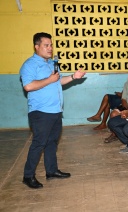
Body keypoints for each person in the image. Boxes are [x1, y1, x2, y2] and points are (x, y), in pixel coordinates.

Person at [20, 32, 86, 189]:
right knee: (39, 143)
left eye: (51, 45)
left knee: (51, 143)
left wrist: (73, 77)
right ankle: (28, 176)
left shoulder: (51, 64)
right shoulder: (29, 65)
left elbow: (58, 81)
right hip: (40, 112)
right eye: (46, 45)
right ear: (37, 47)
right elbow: (28, 86)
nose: (50, 48)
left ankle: (51, 171)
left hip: (55, 111)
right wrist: (50, 79)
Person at [87, 64, 128, 130]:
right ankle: (101, 121)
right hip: (125, 100)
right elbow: (125, 94)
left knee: (107, 99)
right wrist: (121, 94)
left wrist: (121, 96)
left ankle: (100, 119)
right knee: (107, 99)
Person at [103, 64, 128, 143]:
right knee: (113, 114)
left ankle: (124, 134)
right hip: (127, 106)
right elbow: (123, 98)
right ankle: (114, 134)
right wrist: (125, 108)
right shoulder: (127, 84)